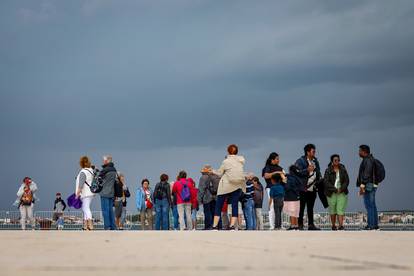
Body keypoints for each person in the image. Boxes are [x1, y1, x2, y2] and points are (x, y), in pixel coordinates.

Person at [211, 144, 246, 230]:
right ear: (237, 152)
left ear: (228, 151)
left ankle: (215, 226)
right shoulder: (241, 160)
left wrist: (211, 171)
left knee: (219, 205)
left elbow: (219, 173)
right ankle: (232, 226)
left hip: (226, 184)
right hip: (238, 184)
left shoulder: (226, 161)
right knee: (234, 205)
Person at [295, 144, 321, 231]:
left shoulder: (315, 161)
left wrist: (319, 180)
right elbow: (296, 172)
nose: (315, 153)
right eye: (313, 151)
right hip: (303, 188)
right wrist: (307, 170)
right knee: (301, 208)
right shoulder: (300, 161)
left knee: (310, 207)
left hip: (313, 188)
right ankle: (300, 225)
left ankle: (311, 225)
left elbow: (318, 172)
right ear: (308, 152)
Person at [324, 154, 350, 231]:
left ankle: (341, 225)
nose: (337, 161)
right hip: (331, 193)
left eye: (338, 160)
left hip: (342, 192)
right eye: (335, 160)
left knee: (340, 209)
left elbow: (346, 181)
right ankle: (333, 225)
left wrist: (341, 189)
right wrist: (335, 190)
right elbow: (326, 182)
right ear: (332, 161)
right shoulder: (328, 170)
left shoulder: (343, 169)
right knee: (332, 209)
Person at [357, 145, 379, 230]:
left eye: (360, 151)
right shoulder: (370, 159)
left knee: (369, 205)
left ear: (364, 151)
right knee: (372, 205)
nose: (358, 153)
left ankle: (371, 225)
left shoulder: (367, 160)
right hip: (372, 184)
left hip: (368, 184)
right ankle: (374, 225)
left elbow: (366, 173)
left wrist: (362, 185)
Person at [262, 153, 285, 230]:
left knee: (280, 207)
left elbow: (284, 178)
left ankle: (279, 225)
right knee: (272, 206)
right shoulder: (267, 167)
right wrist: (277, 173)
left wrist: (283, 175)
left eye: (278, 158)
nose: (278, 160)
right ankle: (272, 226)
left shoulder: (280, 168)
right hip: (270, 188)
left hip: (280, 189)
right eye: (277, 158)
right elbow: (266, 175)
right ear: (272, 160)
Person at [76, 156, 96, 231]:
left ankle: (90, 224)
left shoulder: (83, 172)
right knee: (85, 208)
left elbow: (81, 184)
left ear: (82, 163)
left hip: (85, 193)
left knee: (86, 208)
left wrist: (77, 193)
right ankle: (85, 225)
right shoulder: (91, 171)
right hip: (91, 192)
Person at [98, 155, 118, 230]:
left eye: (103, 160)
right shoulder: (114, 169)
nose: (103, 161)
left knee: (105, 211)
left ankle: (107, 226)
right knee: (110, 211)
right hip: (111, 192)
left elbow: (98, 180)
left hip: (104, 192)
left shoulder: (104, 170)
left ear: (106, 161)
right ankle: (113, 226)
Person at [198, 165, 220, 230]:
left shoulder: (203, 177)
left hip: (207, 198)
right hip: (215, 197)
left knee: (207, 213)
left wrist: (199, 199)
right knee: (215, 212)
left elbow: (201, 189)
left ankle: (208, 226)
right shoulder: (216, 177)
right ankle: (216, 226)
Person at [283, 166, 303, 230]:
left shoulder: (289, 177)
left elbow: (287, 187)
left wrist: (284, 183)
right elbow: (301, 187)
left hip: (290, 197)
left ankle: (292, 225)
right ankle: (296, 225)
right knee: (296, 212)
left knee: (291, 212)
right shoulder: (298, 178)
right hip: (297, 197)